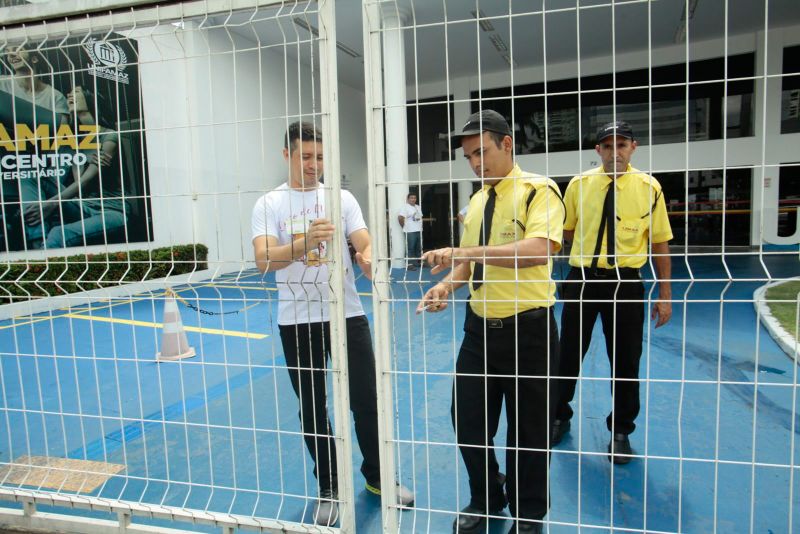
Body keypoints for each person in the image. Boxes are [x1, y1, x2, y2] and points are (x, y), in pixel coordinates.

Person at [251, 121, 413, 526]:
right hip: (297, 319)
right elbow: (263, 260)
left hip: (347, 314)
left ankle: (379, 479)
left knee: (365, 399)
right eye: (305, 156)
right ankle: (329, 485)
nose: (313, 165)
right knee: (312, 407)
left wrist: (368, 255)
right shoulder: (268, 204)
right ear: (286, 154)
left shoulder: (341, 198)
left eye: (320, 157)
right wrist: (306, 241)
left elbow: (363, 239)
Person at [417, 110, 564, 534]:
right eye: (469, 157)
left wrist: (466, 254)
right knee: (468, 422)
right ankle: (486, 496)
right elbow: (466, 264)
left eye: (482, 152)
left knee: (529, 433)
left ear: (507, 145)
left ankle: (529, 514)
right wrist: (445, 287)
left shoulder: (540, 191)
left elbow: (540, 249)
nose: (477, 163)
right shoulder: (477, 202)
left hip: (529, 331)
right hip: (479, 330)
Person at [552, 120, 673, 464]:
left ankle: (621, 430)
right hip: (583, 280)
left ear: (633, 147)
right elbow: (566, 232)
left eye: (621, 144)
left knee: (625, 360)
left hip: (626, 283)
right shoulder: (578, 185)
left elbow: (660, 243)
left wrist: (665, 295)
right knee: (567, 354)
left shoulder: (649, 188)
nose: (614, 151)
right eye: (607, 145)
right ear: (598, 151)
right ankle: (559, 415)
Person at [29, 85, 128, 248]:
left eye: (75, 92)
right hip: (82, 206)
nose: (69, 95)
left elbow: (85, 181)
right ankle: (34, 232)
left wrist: (51, 204)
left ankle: (38, 264)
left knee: (59, 233)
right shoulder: (73, 141)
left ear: (90, 98)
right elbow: (71, 183)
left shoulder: (108, 135)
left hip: (111, 211)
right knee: (37, 175)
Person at [398, 192, 423, 270]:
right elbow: (400, 218)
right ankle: (409, 264)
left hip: (419, 230)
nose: (413, 199)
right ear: (408, 199)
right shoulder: (405, 207)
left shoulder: (418, 207)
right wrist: (404, 227)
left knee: (418, 247)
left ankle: (417, 262)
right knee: (410, 248)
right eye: (411, 198)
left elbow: (420, 217)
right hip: (410, 231)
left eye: (414, 198)